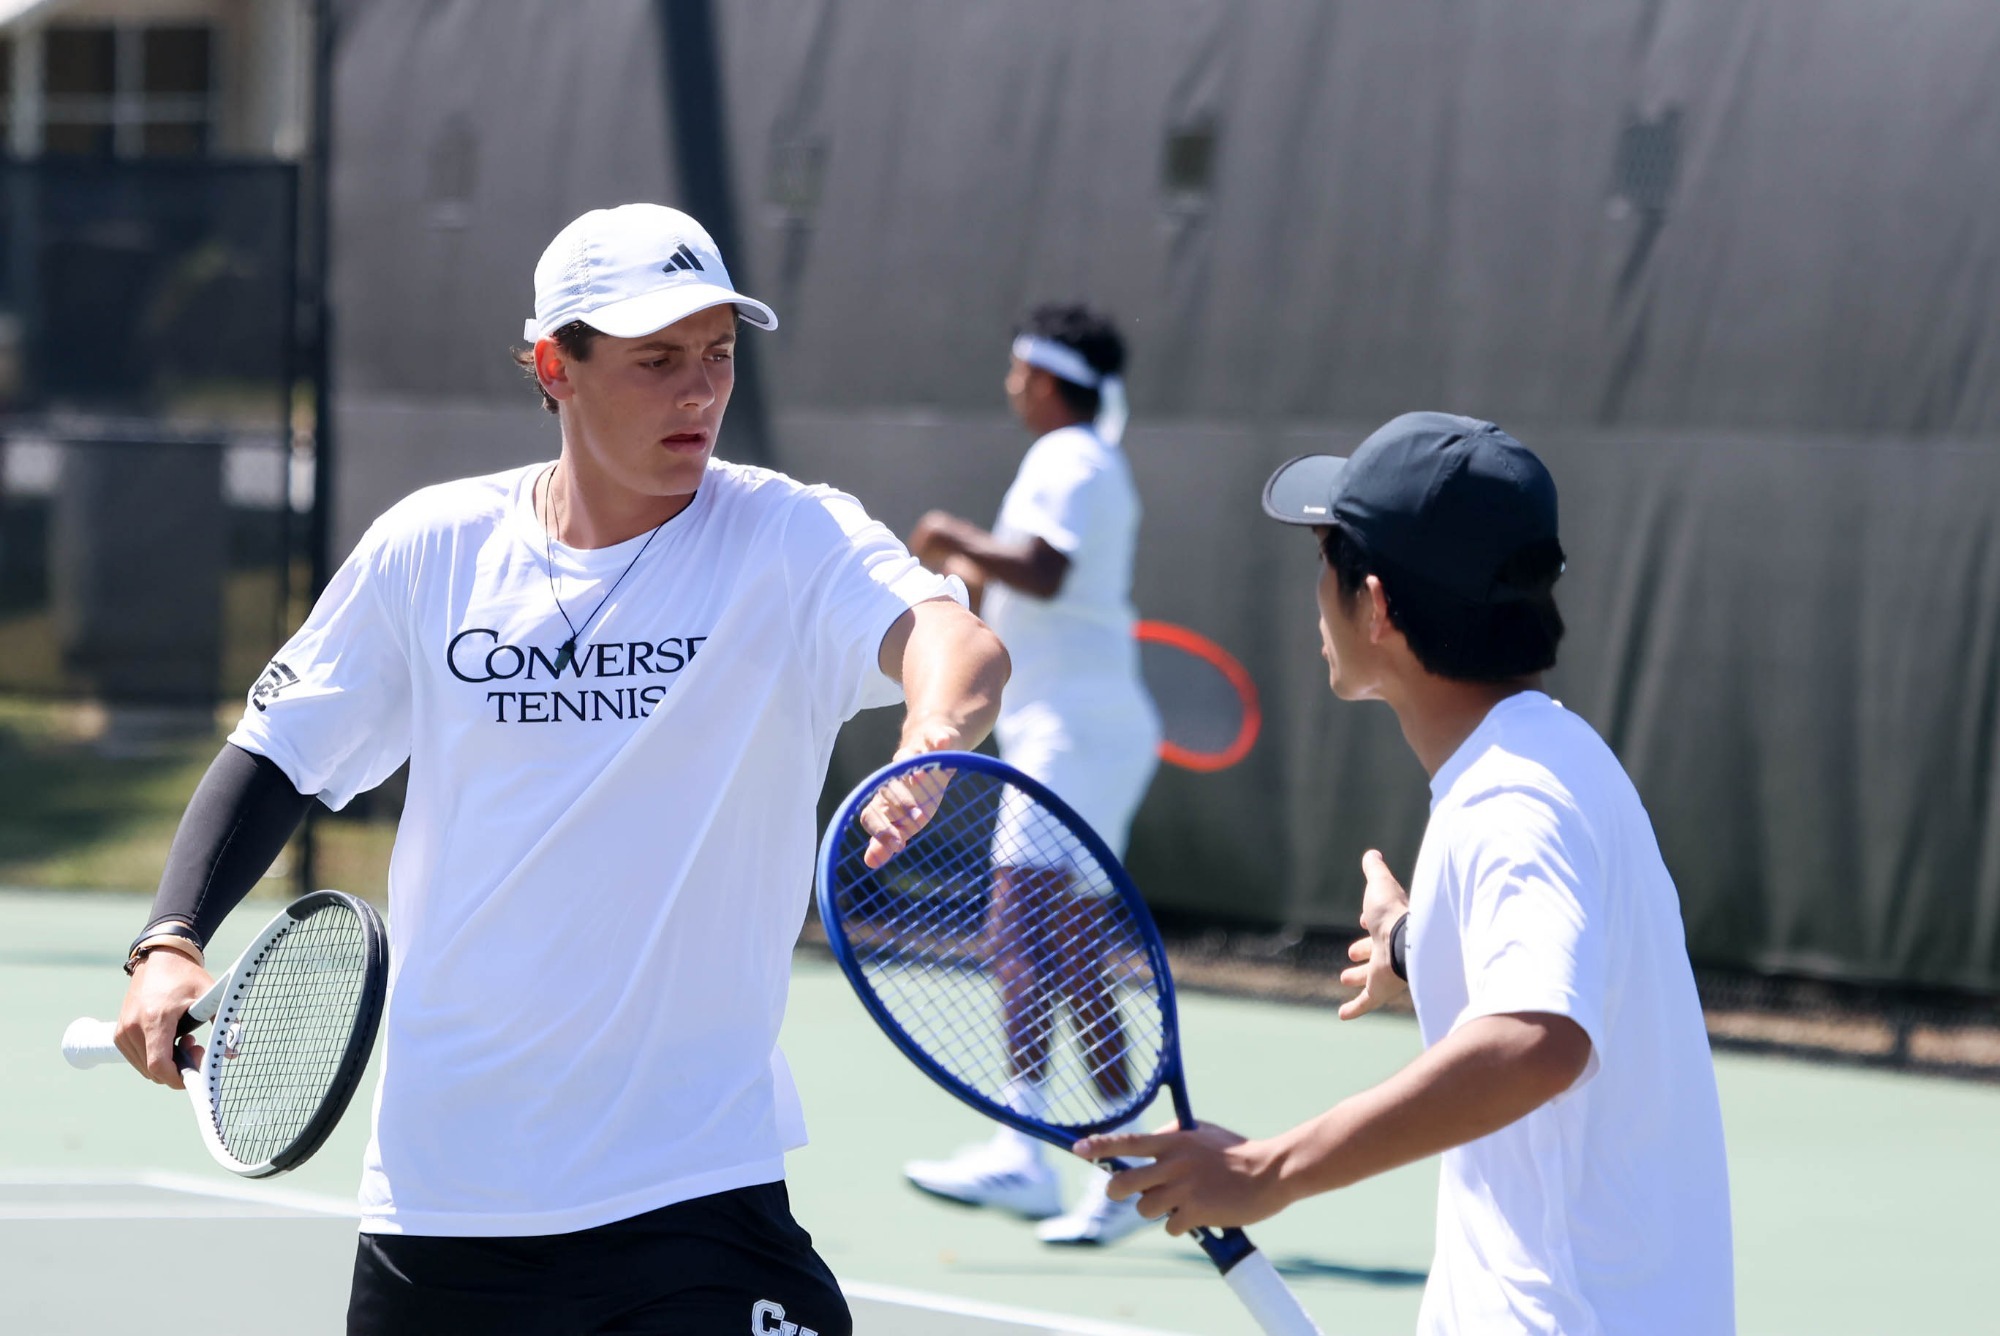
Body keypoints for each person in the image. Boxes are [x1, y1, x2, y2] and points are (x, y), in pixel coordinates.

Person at [111, 203, 1009, 1336]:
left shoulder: (785, 540)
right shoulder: (432, 547)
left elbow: (956, 642)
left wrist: (932, 737)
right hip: (442, 1208)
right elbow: (279, 751)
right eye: (656, 360)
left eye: (718, 354)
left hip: (689, 1190)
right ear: (555, 364)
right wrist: (168, 943)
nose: (699, 391)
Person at [1080, 413, 1735, 1334]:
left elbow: (1537, 1040)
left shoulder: (1514, 803)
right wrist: (1408, 941)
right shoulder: (1551, 757)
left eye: (1327, 558)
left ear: (1377, 606)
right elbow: (1557, 968)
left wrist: (1268, 1170)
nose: (1316, 591)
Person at [898, 305, 1162, 1247]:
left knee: (1022, 922)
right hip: (1076, 731)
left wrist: (949, 536)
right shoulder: (1082, 460)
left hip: (1073, 735)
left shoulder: (1071, 460)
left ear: (1047, 381)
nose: (1010, 386)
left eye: (1019, 371)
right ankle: (1126, 1162)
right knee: (1064, 943)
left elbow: (1045, 571)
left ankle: (1027, 1148)